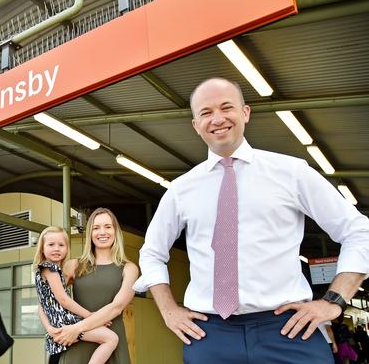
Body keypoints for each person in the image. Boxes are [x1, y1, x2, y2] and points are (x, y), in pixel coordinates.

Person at [134, 77, 369, 363]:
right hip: (210, 334)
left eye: (226, 107)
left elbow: (358, 230)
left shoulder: (292, 172)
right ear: (196, 125)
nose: (217, 119)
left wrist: (334, 301)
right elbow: (152, 253)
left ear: (245, 112)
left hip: (288, 330)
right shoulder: (181, 189)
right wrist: (168, 309)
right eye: (206, 112)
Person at [45, 208, 139, 364]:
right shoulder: (74, 265)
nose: (102, 232)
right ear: (90, 233)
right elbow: (48, 298)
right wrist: (51, 329)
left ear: (116, 231)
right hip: (77, 342)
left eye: (108, 226)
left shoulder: (129, 268)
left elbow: (117, 307)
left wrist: (77, 328)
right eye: (96, 228)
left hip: (111, 341)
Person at [34, 226, 119, 364]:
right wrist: (91, 316)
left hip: (57, 324)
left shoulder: (46, 270)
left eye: (61, 245)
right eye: (51, 244)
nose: (56, 248)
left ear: (67, 248)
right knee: (111, 338)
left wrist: (50, 329)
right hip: (66, 322)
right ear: (42, 248)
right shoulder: (51, 269)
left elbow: (42, 305)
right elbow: (63, 300)